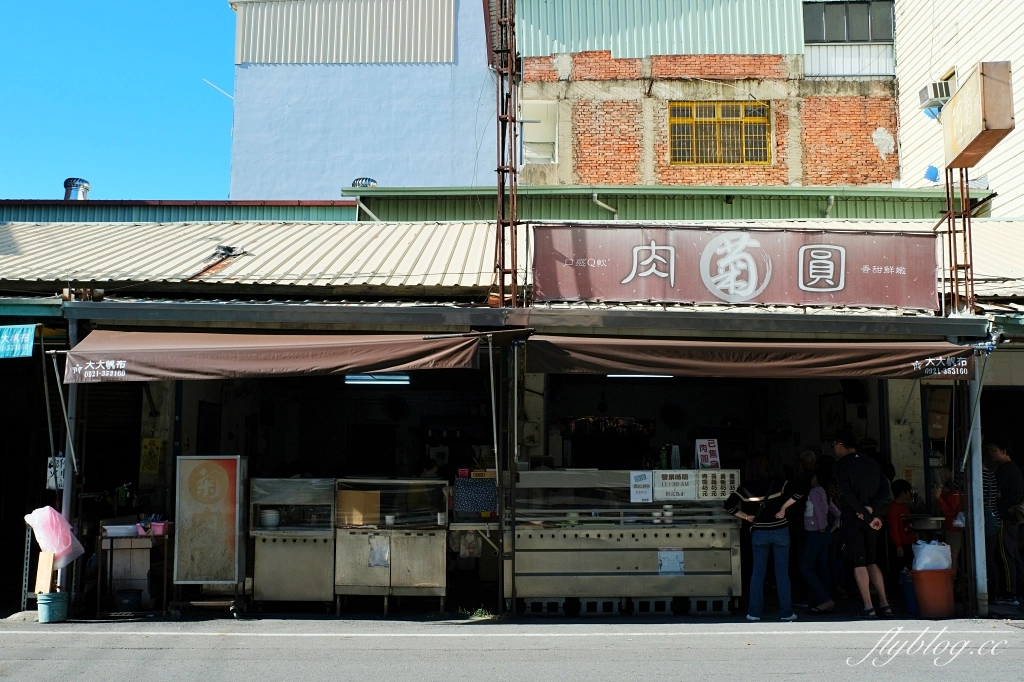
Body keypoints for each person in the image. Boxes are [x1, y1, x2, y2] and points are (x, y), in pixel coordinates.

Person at [725, 456, 803, 622]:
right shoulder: (778, 482)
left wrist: (746, 516)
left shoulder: (745, 487)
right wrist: (783, 508)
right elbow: (799, 492)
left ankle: (754, 613)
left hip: (759, 533)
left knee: (758, 574)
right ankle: (786, 613)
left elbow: (729, 506)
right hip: (780, 531)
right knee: (782, 574)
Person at [832, 429, 893, 618]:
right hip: (873, 519)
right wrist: (872, 511)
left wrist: (862, 513)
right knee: (872, 561)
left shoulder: (841, 466)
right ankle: (884, 603)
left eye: (835, 445)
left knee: (859, 562)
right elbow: (885, 489)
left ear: (840, 445)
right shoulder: (872, 463)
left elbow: (848, 495)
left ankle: (868, 606)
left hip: (854, 517)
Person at [986, 437, 1024, 605]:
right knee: (1013, 554)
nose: (991, 454)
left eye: (994, 450)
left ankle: (1009, 593)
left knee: (1005, 554)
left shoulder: (1004, 470)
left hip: (1004, 518)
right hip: (1012, 519)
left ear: (1004, 451)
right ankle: (1018, 591)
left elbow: (995, 494)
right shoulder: (1013, 469)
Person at [799, 471, 840, 614]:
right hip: (824, 533)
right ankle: (826, 599)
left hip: (815, 532)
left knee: (805, 567)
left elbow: (819, 510)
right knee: (823, 567)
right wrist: (831, 528)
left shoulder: (815, 491)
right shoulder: (826, 492)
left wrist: (822, 528)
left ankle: (824, 600)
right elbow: (837, 513)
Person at [934, 467, 964, 580]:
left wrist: (939, 499)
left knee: (953, 557)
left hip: (953, 529)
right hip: (959, 528)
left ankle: (951, 583)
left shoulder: (953, 495)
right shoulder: (961, 494)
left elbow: (950, 512)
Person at [886, 480, 917, 577]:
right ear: (902, 493)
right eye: (908, 492)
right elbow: (894, 529)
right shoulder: (894, 509)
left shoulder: (904, 506)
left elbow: (907, 524)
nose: (909, 494)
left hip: (908, 542)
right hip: (901, 544)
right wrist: (898, 546)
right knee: (900, 570)